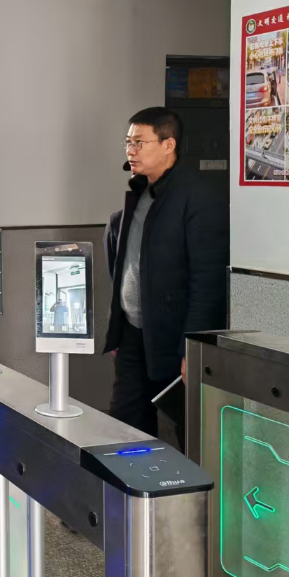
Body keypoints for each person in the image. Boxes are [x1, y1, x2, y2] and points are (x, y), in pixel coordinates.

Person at [104, 107, 228, 450]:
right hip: (133, 336)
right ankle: (134, 483)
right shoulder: (140, 194)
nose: (131, 150)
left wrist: (193, 348)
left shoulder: (199, 198)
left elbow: (208, 283)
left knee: (191, 431)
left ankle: (192, 487)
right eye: (128, 142)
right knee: (125, 425)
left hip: (174, 339)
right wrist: (117, 331)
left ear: (168, 145)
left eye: (139, 142)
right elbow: (123, 266)